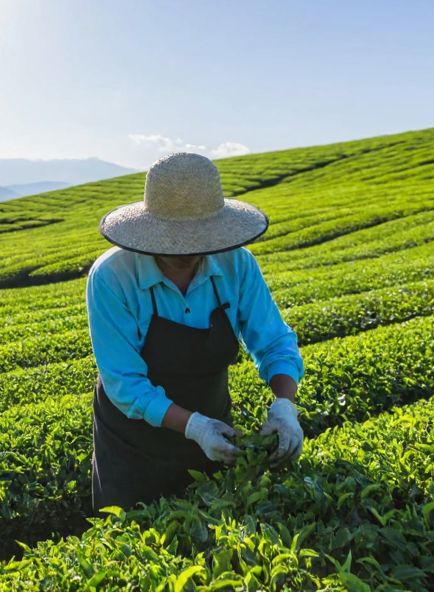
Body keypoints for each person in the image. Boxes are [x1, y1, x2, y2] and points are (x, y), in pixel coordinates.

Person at [86, 152, 306, 512]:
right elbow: (125, 383)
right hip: (133, 444)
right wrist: (193, 427)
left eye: (199, 239)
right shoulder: (113, 277)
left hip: (214, 423)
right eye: (174, 239)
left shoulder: (237, 264)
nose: (186, 251)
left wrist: (285, 405)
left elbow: (274, 341)